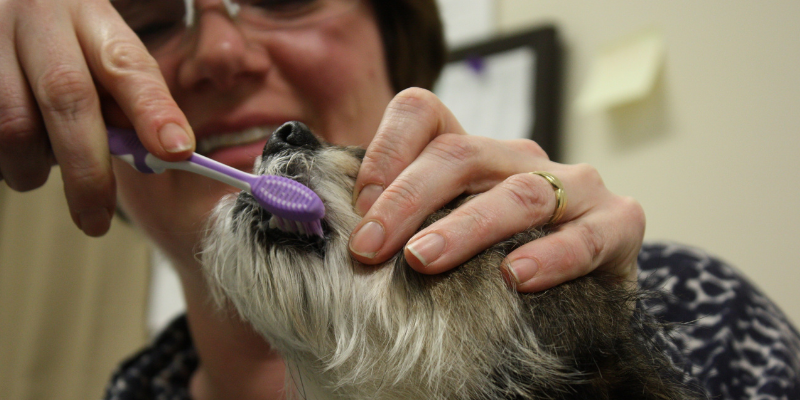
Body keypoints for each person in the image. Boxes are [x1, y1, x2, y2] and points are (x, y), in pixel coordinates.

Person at [1, 0, 797, 399]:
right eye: (146, 19)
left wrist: (608, 354)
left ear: (395, 36)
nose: (219, 53)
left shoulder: (701, 317)